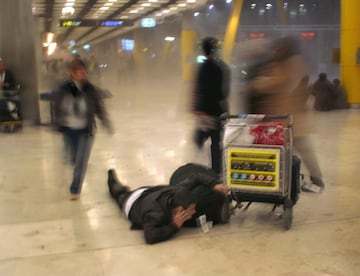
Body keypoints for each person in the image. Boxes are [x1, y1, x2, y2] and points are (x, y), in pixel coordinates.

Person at [246, 36, 325, 191]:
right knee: (300, 148)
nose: (276, 50)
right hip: (293, 116)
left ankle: (288, 181)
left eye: (279, 48)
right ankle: (313, 179)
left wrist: (255, 84)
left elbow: (276, 82)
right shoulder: (298, 62)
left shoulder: (287, 64)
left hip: (285, 117)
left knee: (286, 150)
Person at [107, 163, 230, 244]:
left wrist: (214, 184)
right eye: (190, 210)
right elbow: (150, 237)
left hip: (149, 191)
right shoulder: (155, 214)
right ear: (178, 210)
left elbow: (196, 176)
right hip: (131, 202)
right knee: (118, 192)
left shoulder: (178, 190)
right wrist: (174, 226)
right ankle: (111, 179)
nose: (193, 212)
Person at [53, 58, 113, 200]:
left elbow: (99, 108)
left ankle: (75, 189)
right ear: (72, 74)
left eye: (84, 72)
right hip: (69, 130)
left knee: (81, 161)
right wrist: (58, 122)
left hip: (85, 130)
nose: (83, 75)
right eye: (80, 72)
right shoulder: (64, 89)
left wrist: (105, 122)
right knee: (73, 158)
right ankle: (75, 165)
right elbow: (57, 107)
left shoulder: (90, 89)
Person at [192, 37, 230, 175]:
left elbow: (199, 89)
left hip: (206, 111)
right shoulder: (222, 67)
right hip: (217, 110)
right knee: (215, 142)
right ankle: (216, 170)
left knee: (200, 137)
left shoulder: (204, 67)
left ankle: (197, 165)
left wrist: (197, 109)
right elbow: (223, 92)